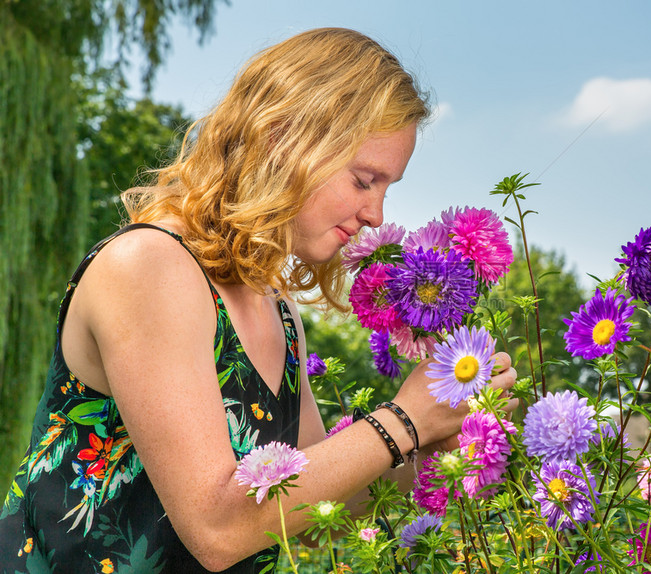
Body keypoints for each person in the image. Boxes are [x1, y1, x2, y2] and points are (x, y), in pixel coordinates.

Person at [0, 27, 517, 573]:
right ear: (283, 138)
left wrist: (440, 441)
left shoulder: (277, 307)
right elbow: (218, 528)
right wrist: (404, 419)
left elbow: (317, 512)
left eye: (387, 188)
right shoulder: (150, 267)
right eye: (365, 180)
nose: (377, 215)